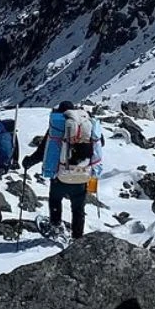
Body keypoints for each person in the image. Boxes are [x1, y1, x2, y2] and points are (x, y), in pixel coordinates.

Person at [22, 101, 102, 239]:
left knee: (55, 200)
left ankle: (55, 227)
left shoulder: (57, 128)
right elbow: (99, 143)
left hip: (60, 176)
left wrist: (28, 161)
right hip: (81, 176)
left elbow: (43, 152)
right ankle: (77, 238)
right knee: (78, 209)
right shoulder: (86, 126)